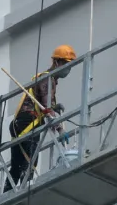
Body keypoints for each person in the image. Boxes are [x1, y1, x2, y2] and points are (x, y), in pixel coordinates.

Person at [6, 45, 76, 190]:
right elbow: (46, 106)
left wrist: (54, 107)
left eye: (70, 65)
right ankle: (26, 189)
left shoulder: (50, 80)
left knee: (17, 164)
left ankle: (8, 192)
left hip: (20, 122)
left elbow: (47, 103)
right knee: (30, 160)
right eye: (66, 64)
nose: (68, 69)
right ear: (56, 62)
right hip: (28, 121)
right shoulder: (47, 79)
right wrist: (59, 129)